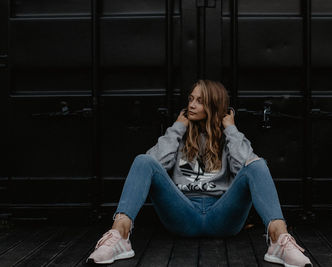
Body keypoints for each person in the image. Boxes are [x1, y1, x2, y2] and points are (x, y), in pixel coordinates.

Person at [86, 80, 312, 267]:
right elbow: (152, 164)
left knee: (258, 163)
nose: (192, 105)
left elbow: (246, 165)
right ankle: (119, 237)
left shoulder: (229, 139)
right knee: (142, 160)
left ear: (214, 106)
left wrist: (231, 129)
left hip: (222, 216)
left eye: (200, 101)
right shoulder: (179, 135)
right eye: (190, 99)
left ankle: (278, 240)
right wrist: (177, 128)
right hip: (183, 214)